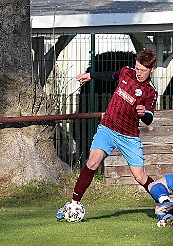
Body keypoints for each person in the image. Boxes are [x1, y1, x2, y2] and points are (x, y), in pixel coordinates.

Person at [56, 49, 158, 221]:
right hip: (108, 128)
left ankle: (164, 202)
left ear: (152, 70)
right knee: (92, 162)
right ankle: (73, 203)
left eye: (143, 70)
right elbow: (112, 75)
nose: (139, 73)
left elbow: (149, 118)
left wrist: (144, 113)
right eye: (137, 68)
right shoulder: (126, 72)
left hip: (128, 136)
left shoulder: (150, 91)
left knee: (140, 177)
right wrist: (91, 75)